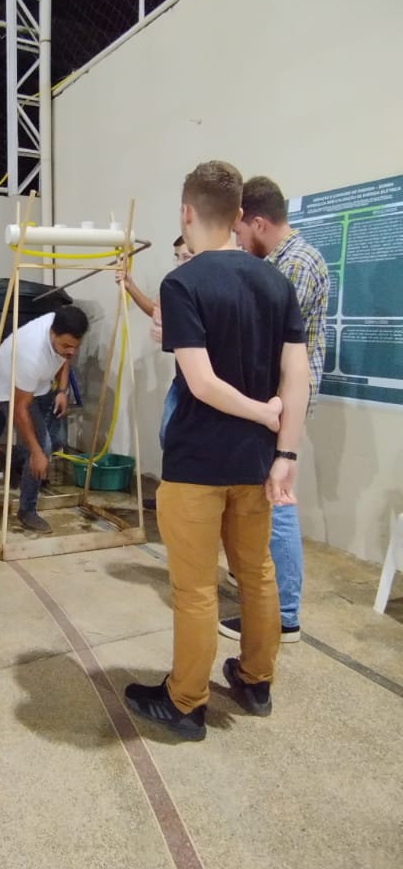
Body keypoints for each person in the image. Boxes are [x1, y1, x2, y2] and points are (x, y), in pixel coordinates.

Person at [125, 160, 309, 741]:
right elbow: (297, 377)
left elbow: (201, 383)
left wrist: (260, 412)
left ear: (186, 212)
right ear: (238, 215)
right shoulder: (275, 282)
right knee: (256, 574)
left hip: (197, 464)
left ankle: (185, 702)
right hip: (255, 462)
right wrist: (285, 451)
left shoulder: (183, 283)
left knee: (197, 588)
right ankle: (256, 681)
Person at [218, 175, 330, 644]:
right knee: (269, 500)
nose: (240, 242)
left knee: (276, 501)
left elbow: (274, 343)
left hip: (283, 399)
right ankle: (271, 605)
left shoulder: (296, 264)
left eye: (241, 231)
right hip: (274, 399)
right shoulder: (281, 260)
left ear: (259, 222)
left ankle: (283, 616)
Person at [0, 305, 89, 534]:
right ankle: (27, 510)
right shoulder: (31, 353)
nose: (71, 351)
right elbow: (20, 409)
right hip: (11, 391)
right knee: (41, 449)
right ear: (52, 333)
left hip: (41, 385)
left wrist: (62, 391)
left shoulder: (62, 330)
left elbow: (65, 358)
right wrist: (36, 453)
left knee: (57, 440)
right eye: (66, 345)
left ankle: (14, 458)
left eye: (75, 346)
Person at [116, 236, 194, 507]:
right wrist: (130, 285)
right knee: (168, 435)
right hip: (182, 380)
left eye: (186, 257)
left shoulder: (205, 286)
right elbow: (157, 311)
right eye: (177, 257)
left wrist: (172, 335)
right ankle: (170, 496)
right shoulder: (176, 286)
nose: (179, 263)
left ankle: (179, 500)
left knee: (184, 440)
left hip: (201, 382)